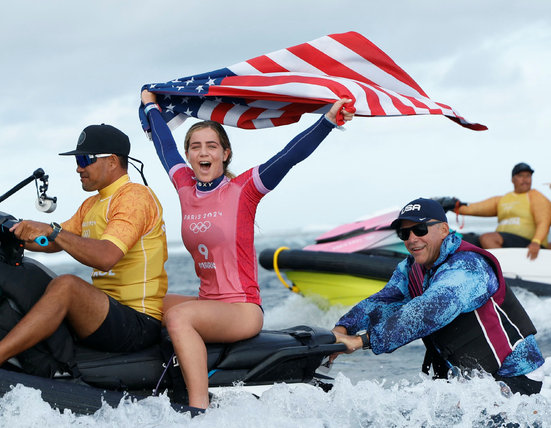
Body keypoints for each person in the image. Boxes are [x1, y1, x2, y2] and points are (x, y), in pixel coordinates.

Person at [141, 89, 354, 409]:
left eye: (211, 146)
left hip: (242, 310)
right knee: (144, 301)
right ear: (188, 156)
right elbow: (163, 144)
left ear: (225, 153)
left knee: (179, 318)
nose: (203, 152)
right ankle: (141, 380)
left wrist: (326, 122)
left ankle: (199, 409)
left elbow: (288, 156)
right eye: (195, 146)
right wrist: (150, 107)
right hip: (210, 303)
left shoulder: (244, 190)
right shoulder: (184, 184)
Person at [0, 124, 168, 367]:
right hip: (106, 313)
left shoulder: (135, 197)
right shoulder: (91, 204)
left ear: (112, 161)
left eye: (85, 159)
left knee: (66, 285)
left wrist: (52, 231)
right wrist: (10, 233)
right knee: (31, 276)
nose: (78, 168)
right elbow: (52, 243)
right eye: (77, 160)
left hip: (137, 322)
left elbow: (106, 256)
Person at [331, 198, 545, 396]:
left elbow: (432, 308)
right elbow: (382, 302)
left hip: (517, 377)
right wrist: (341, 330)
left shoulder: (469, 266)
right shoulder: (410, 270)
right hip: (475, 381)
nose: (412, 239)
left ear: (444, 230)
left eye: (420, 229)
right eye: (404, 234)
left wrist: (361, 341)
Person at [436, 162, 551, 260]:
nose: (525, 179)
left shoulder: (536, 197)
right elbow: (473, 208)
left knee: (487, 238)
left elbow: (544, 221)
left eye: (528, 176)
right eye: (521, 176)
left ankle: (503, 269)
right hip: (505, 242)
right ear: (513, 179)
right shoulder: (503, 199)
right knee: (464, 240)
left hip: (529, 244)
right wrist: (450, 205)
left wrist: (536, 242)